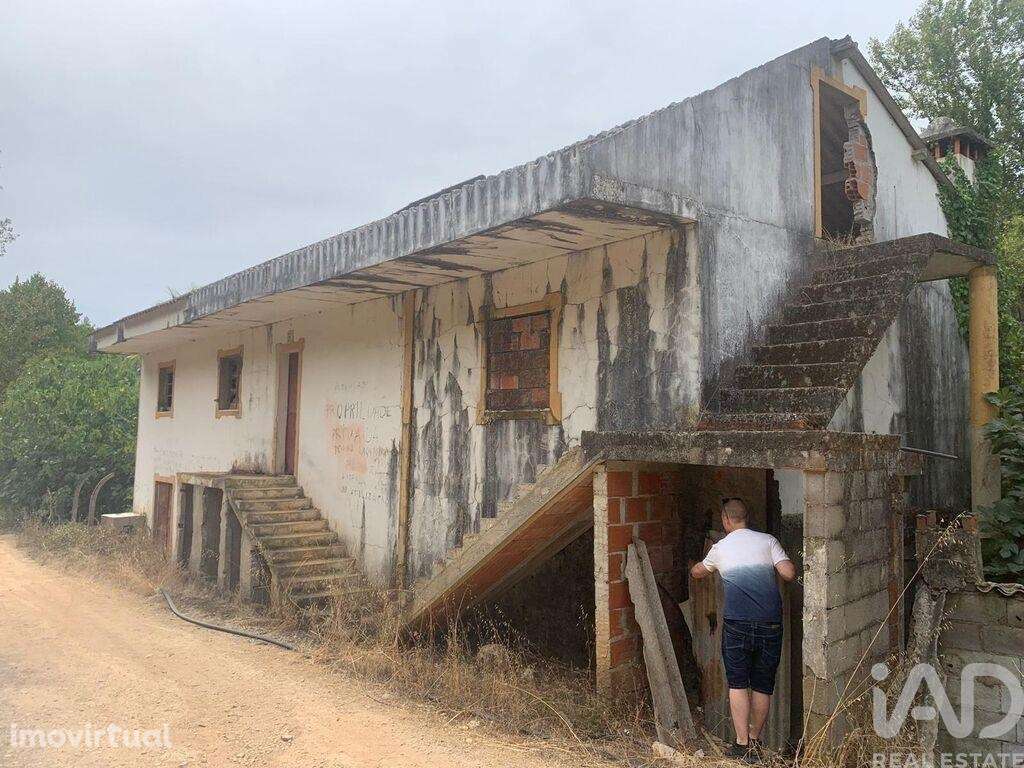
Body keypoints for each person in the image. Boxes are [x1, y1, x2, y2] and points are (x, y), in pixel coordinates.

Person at [690, 497, 796, 763]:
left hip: (737, 625)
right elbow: (788, 573)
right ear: (746, 518)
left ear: (726, 520)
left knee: (738, 683)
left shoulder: (720, 548)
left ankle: (741, 744)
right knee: (763, 685)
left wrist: (695, 567)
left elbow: (698, 572)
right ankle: (756, 741)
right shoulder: (768, 541)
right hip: (770, 623)